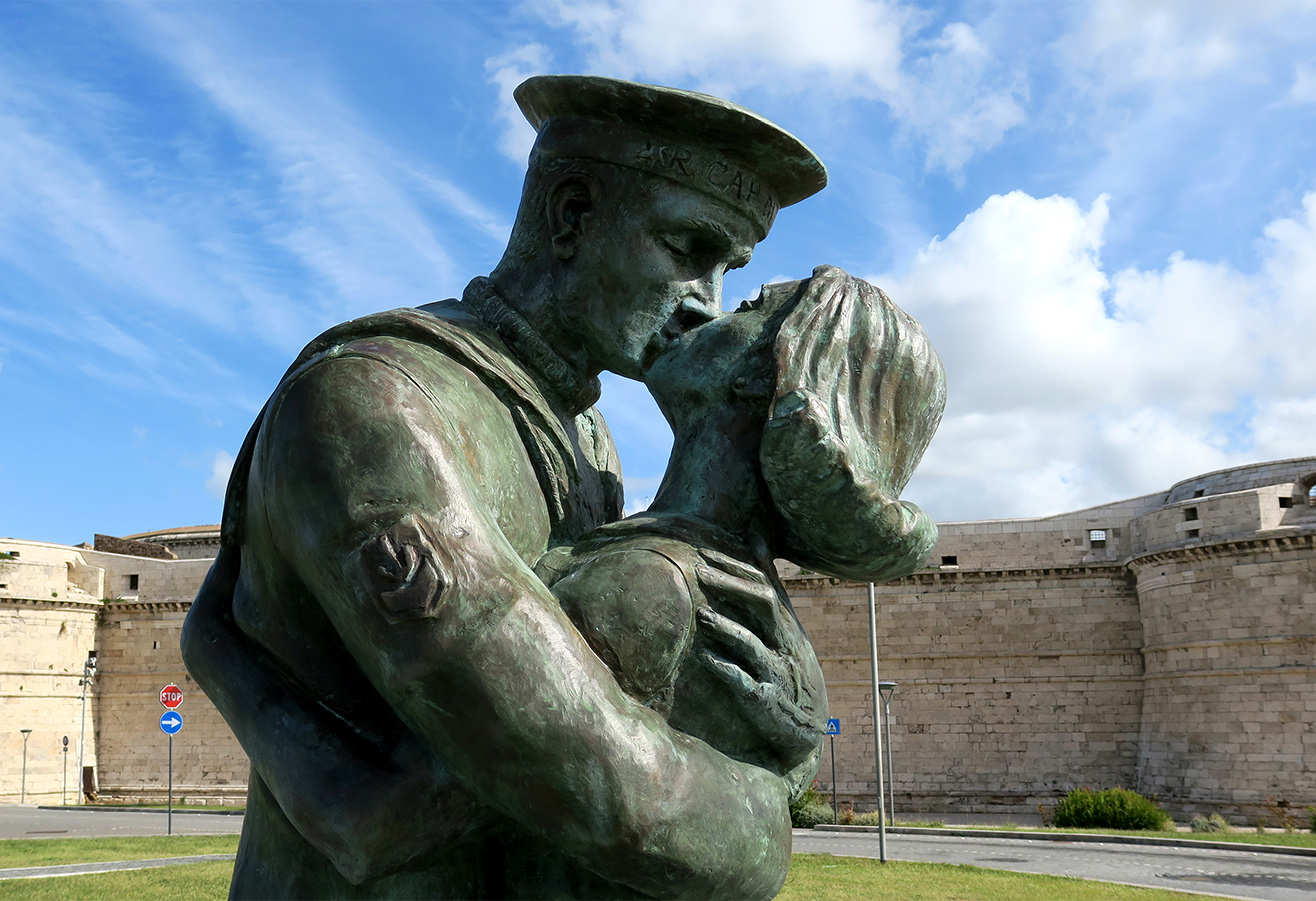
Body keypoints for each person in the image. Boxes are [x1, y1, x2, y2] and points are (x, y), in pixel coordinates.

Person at [181, 75, 829, 899]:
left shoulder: (587, 438)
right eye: (687, 248)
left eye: (729, 268)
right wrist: (774, 802)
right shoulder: (376, 403)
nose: (709, 303)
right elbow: (602, 788)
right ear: (571, 215)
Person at [540, 265, 945, 794]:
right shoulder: (707, 571)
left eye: (748, 308)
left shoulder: (653, 585)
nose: (704, 310)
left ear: (762, 377)